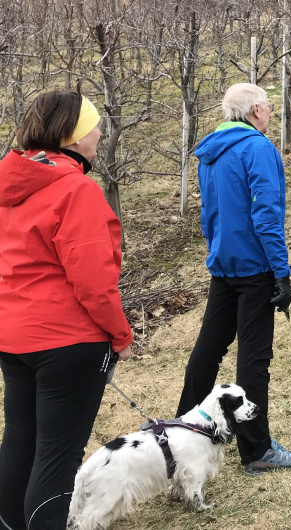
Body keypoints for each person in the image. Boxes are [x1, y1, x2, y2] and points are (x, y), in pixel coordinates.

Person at [0, 91, 132, 529]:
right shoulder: (76, 189)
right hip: (68, 342)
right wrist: (120, 336)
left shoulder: (7, 185)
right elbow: (95, 284)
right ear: (73, 138)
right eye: (94, 126)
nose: (100, 133)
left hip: (12, 337)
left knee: (20, 441)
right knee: (58, 454)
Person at [176, 83, 291, 476]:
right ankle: (257, 449)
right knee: (254, 358)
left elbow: (208, 213)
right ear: (255, 112)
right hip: (254, 267)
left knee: (207, 350)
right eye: (267, 106)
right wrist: (280, 273)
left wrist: (216, 248)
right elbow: (267, 216)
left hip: (223, 263)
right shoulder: (258, 148)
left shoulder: (210, 151)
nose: (270, 112)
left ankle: (180, 436)